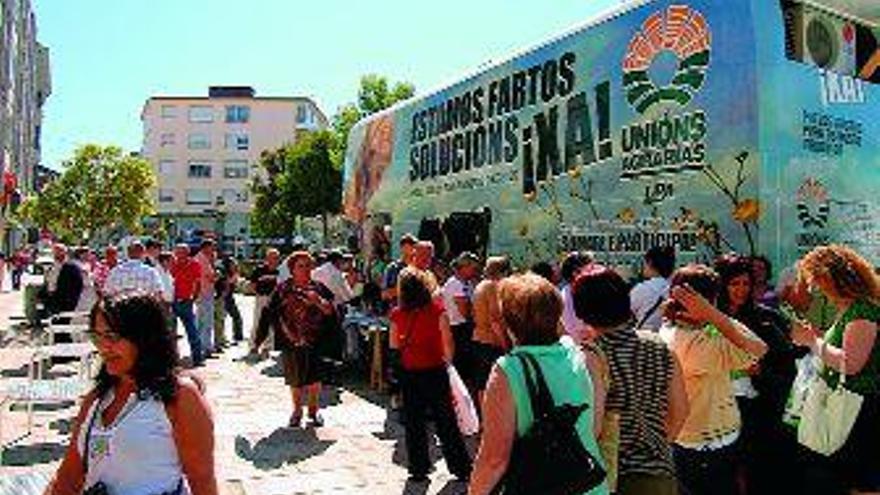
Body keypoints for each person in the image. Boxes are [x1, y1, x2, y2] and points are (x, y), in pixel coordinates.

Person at [45, 295, 217, 495]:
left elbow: (202, 478)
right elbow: (69, 475)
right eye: (96, 336)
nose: (102, 347)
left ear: (144, 338)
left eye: (112, 336)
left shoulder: (180, 398)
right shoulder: (96, 399)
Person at [469, 273, 609, 495]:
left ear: (508, 321)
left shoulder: (509, 369)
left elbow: (494, 459)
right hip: (587, 483)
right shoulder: (581, 354)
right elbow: (594, 427)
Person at [573, 264, 688, 495]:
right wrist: (658, 446)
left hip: (615, 477)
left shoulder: (591, 356)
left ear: (582, 311)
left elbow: (593, 429)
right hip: (660, 475)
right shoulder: (659, 345)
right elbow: (681, 410)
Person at [660, 264, 768, 495]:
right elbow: (758, 348)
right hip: (706, 442)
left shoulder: (671, 329)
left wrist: (710, 316)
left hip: (694, 437)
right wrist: (713, 314)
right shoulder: (696, 343)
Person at [790, 245, 880, 494]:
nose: (817, 288)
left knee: (857, 479)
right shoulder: (855, 308)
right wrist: (815, 338)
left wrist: (812, 342)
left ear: (837, 279)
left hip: (858, 408)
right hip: (852, 406)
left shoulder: (862, 310)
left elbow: (851, 364)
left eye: (819, 281)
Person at [714, 254, 799, 495]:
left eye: (746, 284)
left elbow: (786, 369)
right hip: (715, 409)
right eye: (734, 284)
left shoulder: (767, 319)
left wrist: (761, 372)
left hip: (757, 412)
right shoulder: (707, 319)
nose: (741, 290)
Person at [389, 267, 472, 483]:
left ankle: (418, 468)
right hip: (435, 371)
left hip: (409, 373)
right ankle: (460, 467)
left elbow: (394, 346)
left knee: (414, 422)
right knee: (446, 422)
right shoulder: (438, 312)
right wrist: (448, 365)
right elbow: (448, 345)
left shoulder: (396, 314)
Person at [254, 252, 335, 427]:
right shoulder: (283, 289)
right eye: (301, 266)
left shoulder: (319, 288)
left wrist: (319, 302)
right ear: (292, 269)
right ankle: (297, 410)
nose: (305, 270)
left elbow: (332, 311)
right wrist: (259, 339)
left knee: (315, 377)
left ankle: (313, 410)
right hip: (290, 340)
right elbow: (268, 312)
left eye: (308, 266)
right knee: (295, 377)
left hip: (315, 339)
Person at [471, 256, 512, 405]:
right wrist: (506, 345)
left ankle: (483, 418)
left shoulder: (480, 285)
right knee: (491, 382)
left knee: (482, 381)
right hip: (490, 342)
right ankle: (488, 419)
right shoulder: (493, 286)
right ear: (503, 271)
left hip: (478, 339)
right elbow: (495, 319)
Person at [442, 252, 480, 387]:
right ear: (464, 267)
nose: (476, 271)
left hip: (462, 328)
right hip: (458, 329)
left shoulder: (466, 283)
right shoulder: (455, 285)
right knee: (462, 368)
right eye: (473, 268)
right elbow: (465, 312)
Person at [170, 244, 204, 367]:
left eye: (182, 252)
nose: (179, 255)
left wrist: (193, 298)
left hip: (185, 301)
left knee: (192, 331)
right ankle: (173, 358)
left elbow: (198, 283)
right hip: (172, 301)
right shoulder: (171, 264)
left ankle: (197, 357)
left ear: (187, 253)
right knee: (171, 331)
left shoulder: (194, 264)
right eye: (177, 252)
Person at [630, 246, 675, 331]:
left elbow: (626, 313)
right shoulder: (675, 288)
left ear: (650, 263)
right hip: (670, 338)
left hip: (646, 337)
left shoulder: (641, 289)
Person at [249, 248, 281, 356]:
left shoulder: (280, 271)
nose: (275, 260)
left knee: (272, 324)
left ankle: (267, 347)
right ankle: (254, 345)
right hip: (262, 297)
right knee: (258, 321)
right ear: (267, 258)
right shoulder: (259, 270)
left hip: (275, 299)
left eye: (276, 258)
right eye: (272, 257)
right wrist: (258, 295)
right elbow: (252, 284)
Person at [560, 251, 593, 342]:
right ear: (576, 272)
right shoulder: (580, 293)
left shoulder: (565, 292)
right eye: (591, 268)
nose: (595, 271)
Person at [194, 240, 217, 358]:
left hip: (203, 293)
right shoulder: (202, 259)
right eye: (212, 247)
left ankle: (202, 347)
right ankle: (205, 348)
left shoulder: (200, 258)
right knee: (206, 322)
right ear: (206, 247)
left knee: (201, 321)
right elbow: (211, 277)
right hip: (204, 293)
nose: (214, 249)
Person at [382, 233, 418, 306]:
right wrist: (406, 290)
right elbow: (385, 294)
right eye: (410, 245)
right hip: (398, 309)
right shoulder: (392, 268)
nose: (413, 248)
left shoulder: (418, 267)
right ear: (402, 248)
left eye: (414, 245)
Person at [216, 256, 243, 343]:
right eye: (232, 264)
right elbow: (226, 285)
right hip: (223, 298)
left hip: (229, 297)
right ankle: (221, 339)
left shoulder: (232, 273)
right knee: (221, 319)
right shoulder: (224, 273)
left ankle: (238, 336)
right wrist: (234, 276)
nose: (235, 265)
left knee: (236, 317)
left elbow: (234, 285)